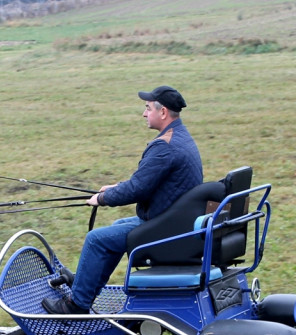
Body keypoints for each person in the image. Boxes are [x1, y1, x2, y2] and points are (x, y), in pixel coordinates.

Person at [43, 85, 202, 315]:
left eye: (148, 108)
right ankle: (85, 286)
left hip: (167, 228)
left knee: (97, 239)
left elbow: (136, 190)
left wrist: (102, 198)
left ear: (163, 112)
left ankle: (75, 306)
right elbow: (148, 182)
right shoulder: (181, 137)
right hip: (173, 220)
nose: (144, 114)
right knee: (116, 228)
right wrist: (116, 187)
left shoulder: (164, 147)